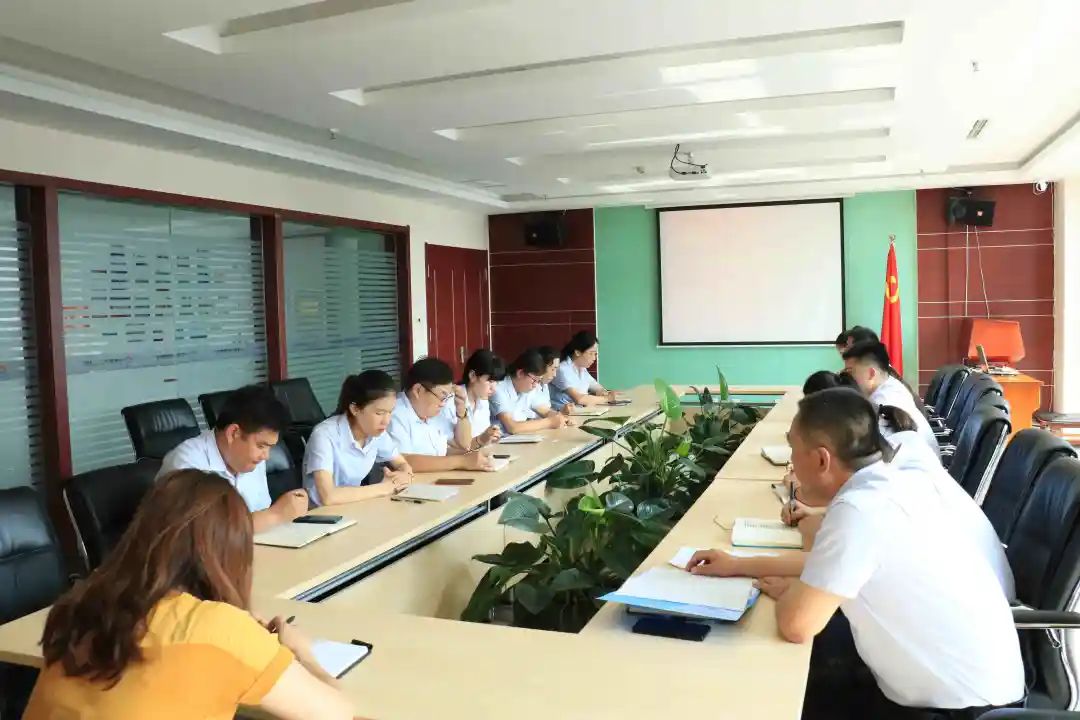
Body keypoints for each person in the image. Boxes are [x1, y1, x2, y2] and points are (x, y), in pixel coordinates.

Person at [700, 389, 1024, 719]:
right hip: (970, 689)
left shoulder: (860, 510)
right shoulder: (890, 482)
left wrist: (800, 594)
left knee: (771, 686)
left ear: (822, 460)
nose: (791, 464)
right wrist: (739, 566)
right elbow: (835, 564)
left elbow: (797, 625)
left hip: (957, 708)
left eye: (793, 451)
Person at [24, 470, 354, 720]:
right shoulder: (223, 629)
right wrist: (302, 652)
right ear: (232, 551)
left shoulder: (84, 605)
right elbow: (340, 715)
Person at [157, 385, 307, 532]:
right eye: (261, 446)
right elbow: (204, 535)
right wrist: (275, 515)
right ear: (233, 433)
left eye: (270, 447)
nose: (266, 456)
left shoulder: (251, 460)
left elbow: (261, 515)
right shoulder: (186, 464)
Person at [303, 370, 415, 506]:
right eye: (379, 413)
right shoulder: (324, 435)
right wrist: (384, 488)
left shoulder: (377, 432)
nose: (386, 421)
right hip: (321, 514)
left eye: (390, 412)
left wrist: (403, 474)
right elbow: (328, 497)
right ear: (355, 409)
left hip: (354, 506)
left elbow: (402, 464)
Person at [387, 357, 494, 473]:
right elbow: (404, 461)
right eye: (442, 396)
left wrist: (461, 412)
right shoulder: (394, 414)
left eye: (447, 397)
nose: (443, 403)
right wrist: (462, 461)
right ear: (418, 390)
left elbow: (458, 446)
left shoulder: (432, 412)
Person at [842, 340, 938, 456]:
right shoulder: (890, 384)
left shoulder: (885, 402)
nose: (846, 378)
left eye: (850, 372)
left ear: (871, 374)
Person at [435, 349, 504, 451]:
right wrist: (481, 440)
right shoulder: (451, 401)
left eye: (496, 383)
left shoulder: (483, 401)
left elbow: (482, 440)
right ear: (472, 376)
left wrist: (490, 436)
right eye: (490, 381)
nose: (494, 389)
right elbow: (454, 448)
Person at [492, 348, 570, 435]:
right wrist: (549, 422)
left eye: (539, 380)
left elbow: (545, 411)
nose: (536, 385)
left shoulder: (527, 388)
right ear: (520, 373)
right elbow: (512, 427)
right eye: (534, 380)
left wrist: (561, 419)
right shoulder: (498, 389)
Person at [550, 330, 615, 410]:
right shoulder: (562, 370)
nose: (594, 358)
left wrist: (603, 391)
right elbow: (579, 399)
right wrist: (607, 398)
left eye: (595, 354)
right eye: (591, 353)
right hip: (562, 413)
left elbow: (594, 385)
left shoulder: (581, 368)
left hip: (580, 411)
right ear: (577, 352)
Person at [528, 345, 571, 420]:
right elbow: (545, 412)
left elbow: (547, 411)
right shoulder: (530, 386)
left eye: (556, 369)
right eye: (552, 369)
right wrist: (561, 416)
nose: (554, 375)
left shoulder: (544, 384)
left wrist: (562, 412)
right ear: (541, 366)